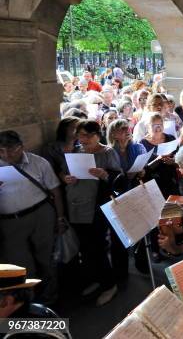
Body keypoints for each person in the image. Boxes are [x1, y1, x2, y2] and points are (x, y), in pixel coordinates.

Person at [0, 131, 66, 305]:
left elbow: (55, 191)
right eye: (1, 151)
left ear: (21, 147)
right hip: (10, 221)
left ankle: (50, 297)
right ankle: (29, 302)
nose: (6, 155)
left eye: (11, 150)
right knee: (19, 264)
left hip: (41, 214)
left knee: (46, 258)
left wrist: (60, 218)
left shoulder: (38, 162)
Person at [62, 120, 122, 306]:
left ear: (98, 135)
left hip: (97, 205)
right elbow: (64, 173)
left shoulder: (107, 152)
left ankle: (109, 284)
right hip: (76, 205)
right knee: (85, 247)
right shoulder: (76, 152)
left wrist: (104, 175)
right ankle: (96, 279)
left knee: (98, 245)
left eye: (88, 135)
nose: (84, 139)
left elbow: (118, 178)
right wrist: (66, 178)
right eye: (81, 135)